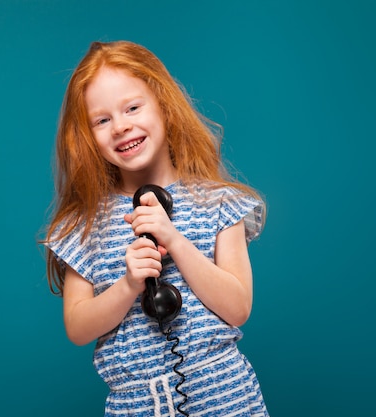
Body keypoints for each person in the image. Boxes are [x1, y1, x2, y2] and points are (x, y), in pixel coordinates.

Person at [42, 40, 268, 416]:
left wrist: (175, 240)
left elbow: (238, 307)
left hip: (227, 399)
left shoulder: (218, 204)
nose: (121, 126)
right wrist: (128, 285)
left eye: (132, 107)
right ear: (86, 137)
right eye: (102, 120)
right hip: (136, 404)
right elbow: (78, 327)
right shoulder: (81, 226)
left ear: (163, 104)